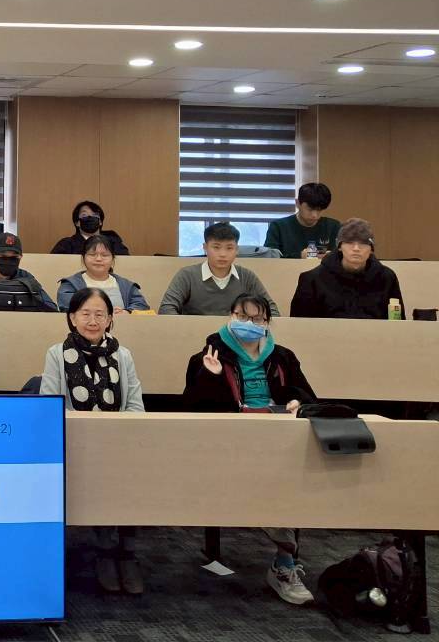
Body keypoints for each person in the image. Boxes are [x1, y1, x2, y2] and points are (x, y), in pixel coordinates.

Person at [182, 294, 316, 606]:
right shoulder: (207, 356)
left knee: (290, 475)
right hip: (229, 442)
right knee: (273, 480)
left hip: (278, 437)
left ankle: (284, 562)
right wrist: (211, 377)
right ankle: (286, 560)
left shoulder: (282, 357)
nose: (249, 324)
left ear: (267, 323)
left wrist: (296, 402)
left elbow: (306, 396)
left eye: (256, 319)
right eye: (242, 316)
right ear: (230, 316)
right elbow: (192, 409)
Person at [40, 288, 145, 595]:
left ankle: (127, 553)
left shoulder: (123, 355)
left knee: (130, 472)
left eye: (100, 314)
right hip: (76, 444)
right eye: (85, 313)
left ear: (110, 319)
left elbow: (135, 405)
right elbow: (49, 406)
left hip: (118, 444)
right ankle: (104, 550)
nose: (93, 321)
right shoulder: (56, 354)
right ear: (72, 318)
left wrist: (116, 435)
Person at [289, 218, 403, 319]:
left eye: (363, 243)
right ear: (339, 246)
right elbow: (299, 327)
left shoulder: (387, 278)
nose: (356, 248)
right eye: (349, 242)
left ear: (371, 249)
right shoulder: (312, 280)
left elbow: (398, 325)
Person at [159, 222, 280, 317]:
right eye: (216, 247)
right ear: (205, 247)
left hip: (237, 337)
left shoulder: (247, 276)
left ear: (237, 250)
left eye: (229, 248)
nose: (222, 254)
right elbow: (166, 309)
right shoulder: (187, 275)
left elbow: (272, 311)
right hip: (194, 335)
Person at [56, 235, 149, 313]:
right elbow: (67, 307)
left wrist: (127, 312)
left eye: (105, 255)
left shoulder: (126, 285)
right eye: (92, 255)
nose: (98, 259)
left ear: (112, 259)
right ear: (83, 258)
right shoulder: (70, 284)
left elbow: (142, 305)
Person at [264, 182, 340, 259]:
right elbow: (268, 259)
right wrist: (300, 256)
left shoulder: (333, 227)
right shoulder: (278, 227)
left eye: (319, 210)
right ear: (297, 203)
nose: (314, 215)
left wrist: (332, 257)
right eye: (310, 209)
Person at [49, 200, 129, 256]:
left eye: (94, 215)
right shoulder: (66, 244)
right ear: (77, 223)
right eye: (84, 215)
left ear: (100, 222)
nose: (90, 217)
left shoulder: (113, 241)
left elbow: (125, 262)